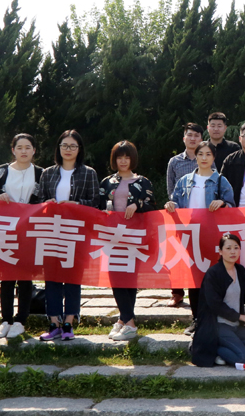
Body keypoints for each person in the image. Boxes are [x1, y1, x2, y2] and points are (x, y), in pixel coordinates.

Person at [166, 141, 236, 335]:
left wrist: (223, 203)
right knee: (194, 279)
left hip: (213, 236)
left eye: (208, 154)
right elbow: (176, 203)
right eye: (200, 154)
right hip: (191, 236)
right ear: (195, 156)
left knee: (214, 278)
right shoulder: (185, 181)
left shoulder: (221, 181)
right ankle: (197, 319)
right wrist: (171, 205)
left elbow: (232, 206)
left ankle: (215, 319)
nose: (204, 158)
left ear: (214, 157)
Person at [38, 129, 99, 341]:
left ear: (79, 149)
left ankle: (69, 323)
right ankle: (54, 323)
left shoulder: (88, 173)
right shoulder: (47, 173)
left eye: (73, 146)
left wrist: (76, 204)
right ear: (59, 148)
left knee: (73, 277)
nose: (68, 149)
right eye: (64, 145)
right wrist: (46, 204)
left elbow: (95, 202)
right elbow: (38, 200)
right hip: (51, 231)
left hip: (76, 232)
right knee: (52, 277)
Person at [0, 133, 43, 339]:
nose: (23, 151)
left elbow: (45, 198)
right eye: (19, 147)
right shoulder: (2, 171)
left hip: (30, 230)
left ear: (34, 150)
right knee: (7, 276)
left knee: (25, 277)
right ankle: (6, 320)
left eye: (28, 147)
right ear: (13, 150)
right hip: (6, 229)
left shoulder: (41, 173)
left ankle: (21, 320)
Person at [99, 140, 157, 341]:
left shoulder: (143, 182)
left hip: (135, 237)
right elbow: (98, 207)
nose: (123, 161)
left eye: (127, 157)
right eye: (119, 157)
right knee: (115, 277)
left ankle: (126, 321)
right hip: (113, 237)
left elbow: (153, 208)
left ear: (133, 159)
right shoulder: (107, 182)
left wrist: (138, 205)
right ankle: (126, 319)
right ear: (114, 160)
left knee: (130, 278)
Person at [190, 233, 245, 367]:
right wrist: (238, 316)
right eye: (228, 248)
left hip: (236, 326)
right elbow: (215, 304)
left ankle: (220, 347)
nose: (233, 252)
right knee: (244, 359)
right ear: (220, 251)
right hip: (218, 326)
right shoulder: (213, 273)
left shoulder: (240, 270)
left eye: (236, 248)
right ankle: (213, 349)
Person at [166, 122, 204, 307]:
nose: (193, 138)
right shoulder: (174, 162)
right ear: (184, 138)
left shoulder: (206, 158)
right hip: (180, 215)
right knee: (178, 253)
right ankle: (177, 293)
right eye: (190, 135)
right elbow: (170, 189)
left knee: (198, 254)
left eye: (196, 135)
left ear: (201, 139)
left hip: (202, 216)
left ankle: (199, 291)